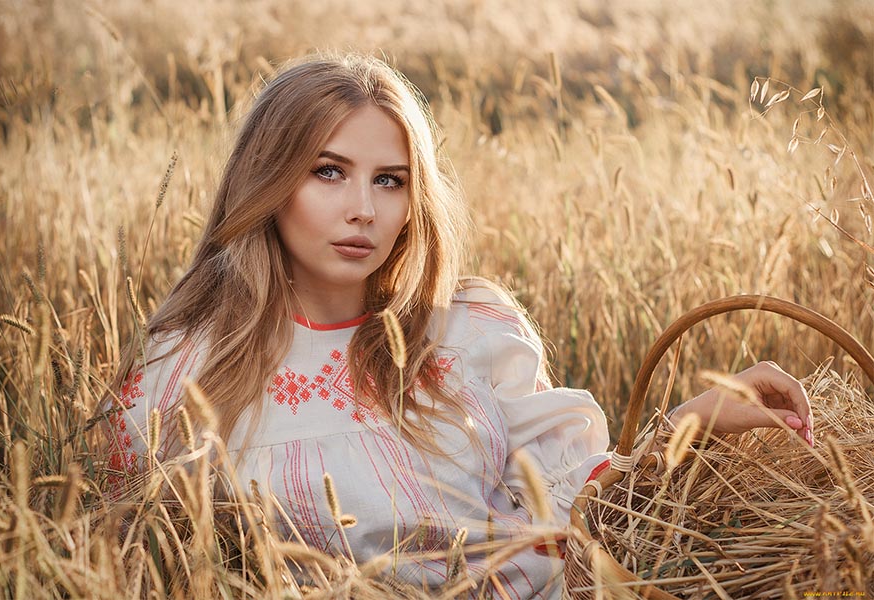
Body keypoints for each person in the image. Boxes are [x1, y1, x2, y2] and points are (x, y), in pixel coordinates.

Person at [105, 53, 814, 598]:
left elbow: (579, 510)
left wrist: (695, 420)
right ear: (266, 180)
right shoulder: (188, 370)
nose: (364, 209)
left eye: (390, 179)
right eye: (328, 172)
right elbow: (135, 557)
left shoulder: (469, 330)